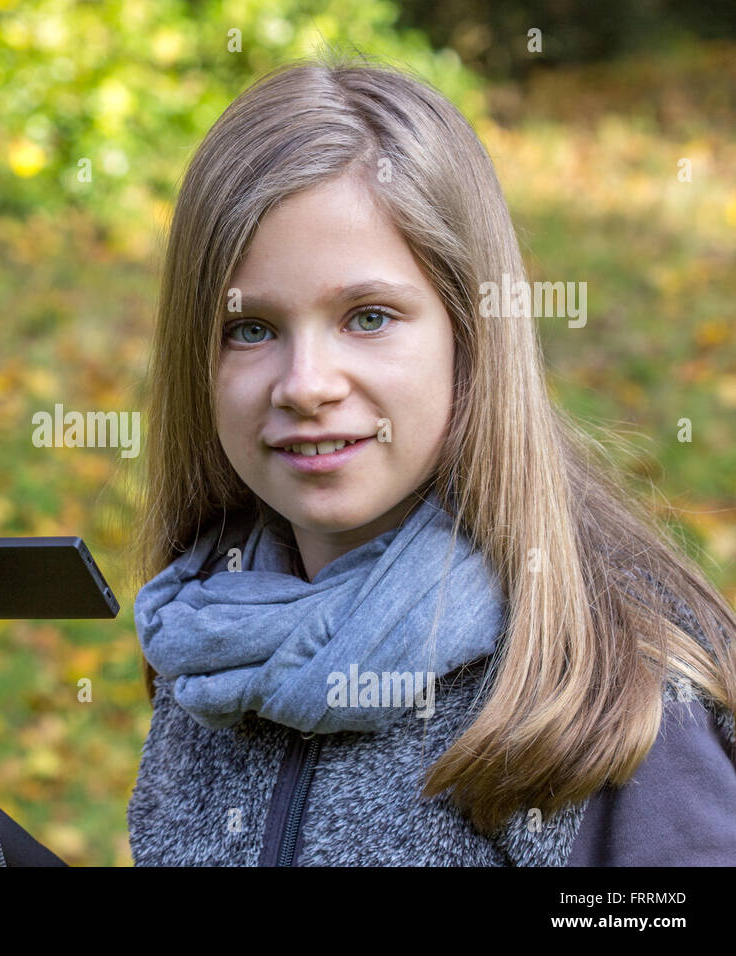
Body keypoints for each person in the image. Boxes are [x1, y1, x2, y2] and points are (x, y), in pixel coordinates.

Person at [125, 54, 736, 866]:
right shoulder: (207, 642)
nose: (306, 385)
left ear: (470, 335)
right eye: (252, 329)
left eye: (369, 316)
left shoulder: (609, 681)